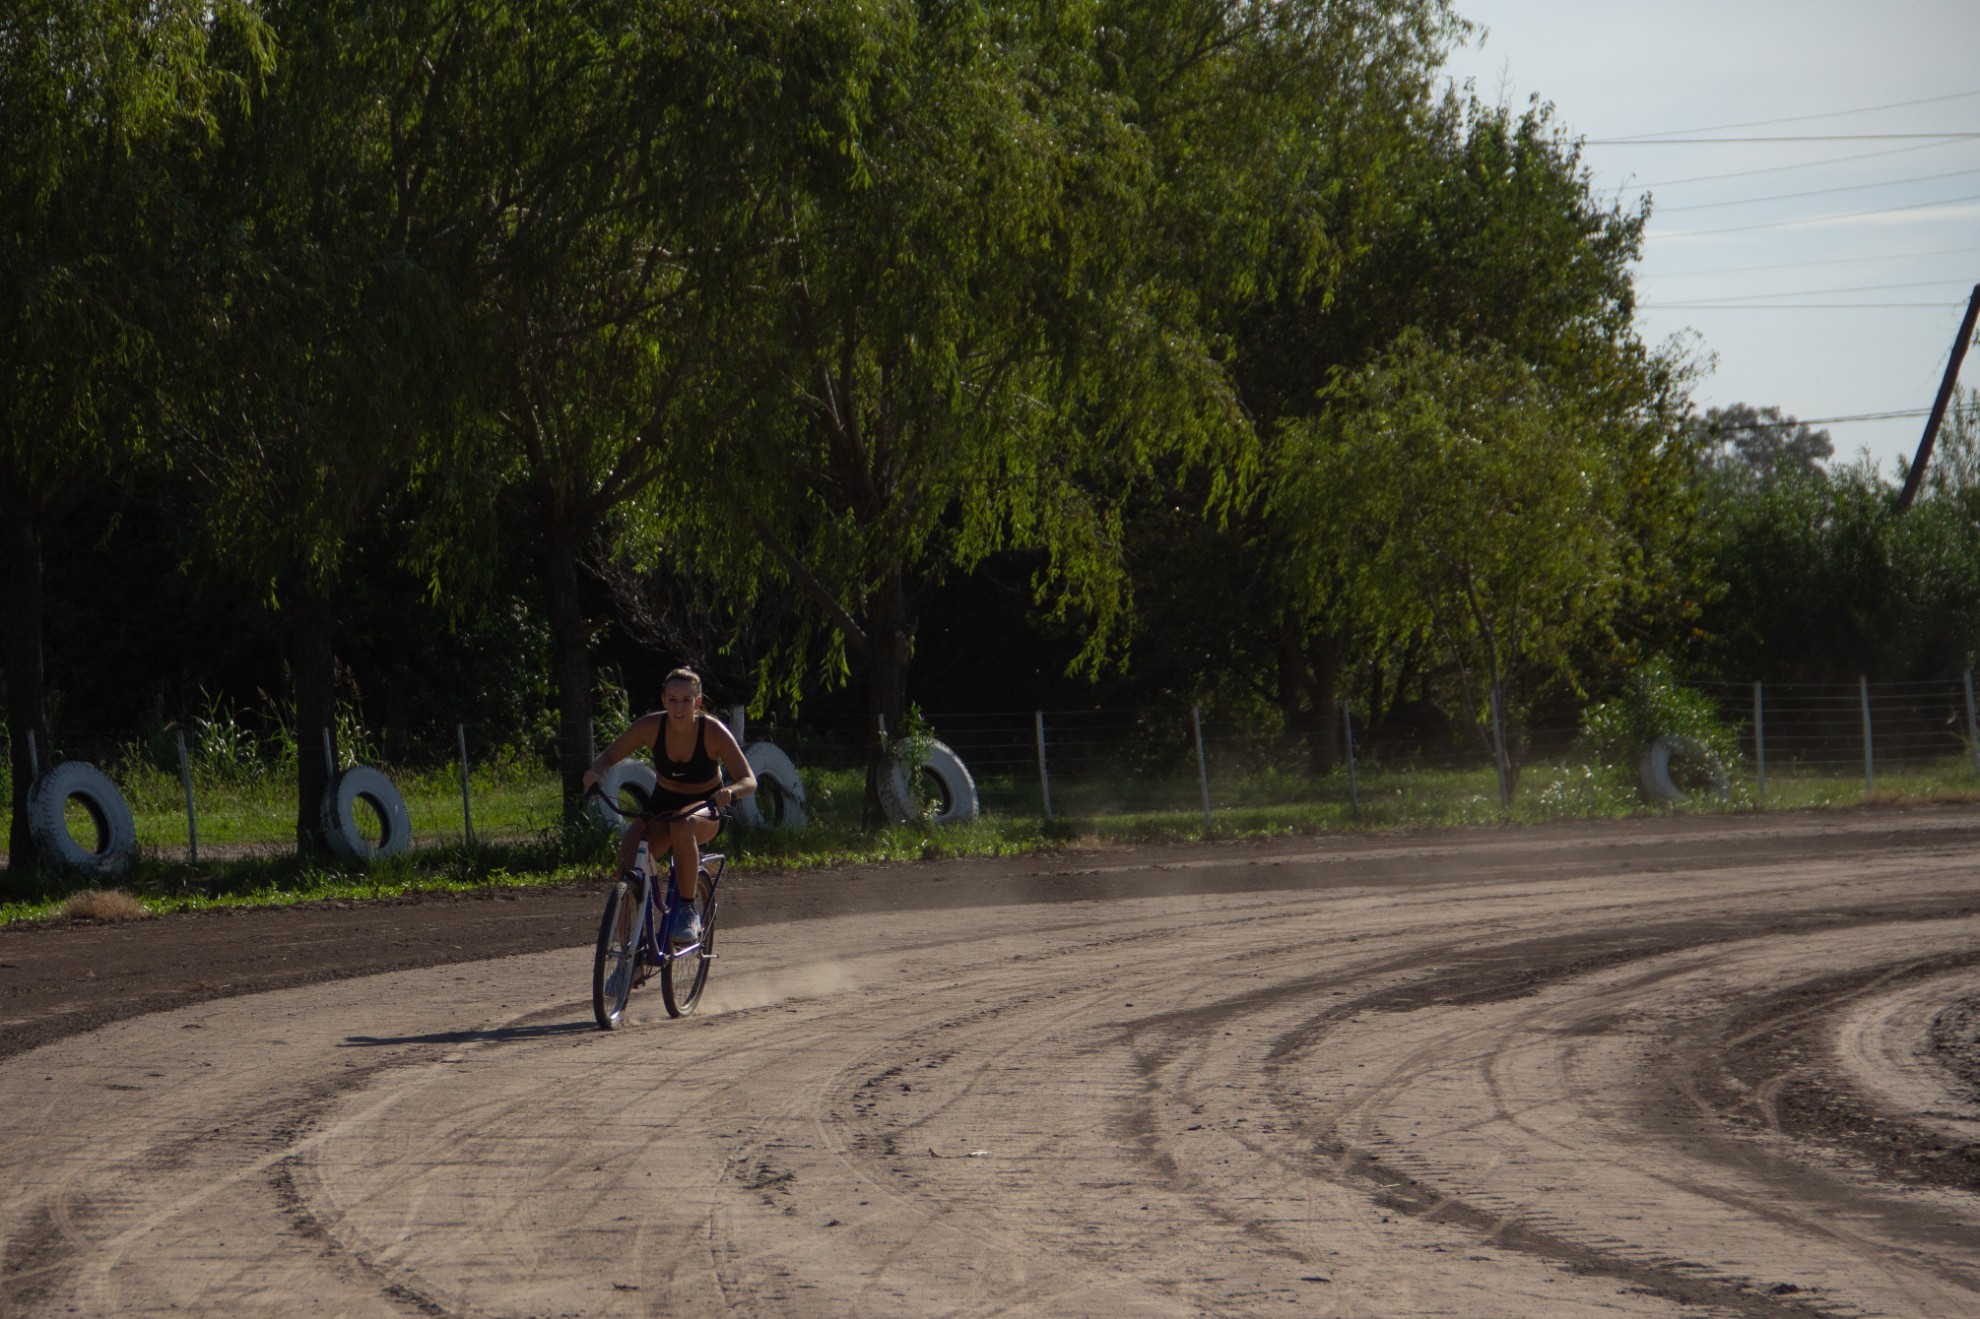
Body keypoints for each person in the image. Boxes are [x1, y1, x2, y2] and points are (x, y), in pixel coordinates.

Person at [582, 668, 756, 945]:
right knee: (629, 854)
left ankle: (687, 910)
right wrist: (597, 773)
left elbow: (749, 780)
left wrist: (729, 792)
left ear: (697, 703)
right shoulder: (651, 727)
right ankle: (629, 953)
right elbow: (607, 757)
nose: (679, 707)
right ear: (663, 700)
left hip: (707, 807)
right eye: (672, 700)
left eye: (686, 700)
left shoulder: (712, 732)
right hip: (664, 803)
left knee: (682, 825)